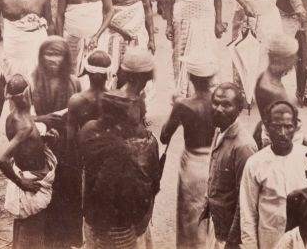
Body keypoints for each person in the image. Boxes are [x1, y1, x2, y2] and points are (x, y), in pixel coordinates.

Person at [79, 91, 162, 249]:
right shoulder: (119, 147)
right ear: (119, 116)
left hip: (90, 217)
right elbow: (103, 187)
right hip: (114, 225)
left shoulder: (87, 129)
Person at [29, 36, 84, 248]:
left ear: (66, 58)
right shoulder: (32, 82)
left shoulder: (74, 82)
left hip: (69, 149)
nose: (53, 60)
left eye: (58, 54)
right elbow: (16, 120)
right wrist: (42, 119)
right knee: (45, 195)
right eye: (48, 54)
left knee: (69, 194)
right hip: (42, 147)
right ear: (41, 56)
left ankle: (68, 241)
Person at [161, 55, 219, 249]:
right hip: (213, 159)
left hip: (192, 164)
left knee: (189, 215)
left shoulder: (184, 105)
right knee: (211, 215)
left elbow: (164, 136)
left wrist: (176, 105)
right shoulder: (219, 102)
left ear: (191, 78)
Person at [0, 75, 57, 249]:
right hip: (31, 183)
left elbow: (26, 148)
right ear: (25, 95)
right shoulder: (25, 125)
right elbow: (1, 159)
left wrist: (45, 139)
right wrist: (21, 182)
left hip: (29, 175)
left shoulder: (15, 117)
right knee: (33, 231)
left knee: (24, 226)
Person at [239, 101, 307, 249]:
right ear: (266, 127)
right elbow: (248, 213)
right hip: (269, 239)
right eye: (277, 127)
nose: (282, 133)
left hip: (301, 240)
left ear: (296, 127)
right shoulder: (255, 163)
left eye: (288, 127)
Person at [206, 82, 257, 249]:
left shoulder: (243, 146)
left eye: (226, 104)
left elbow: (245, 202)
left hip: (229, 235)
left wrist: (231, 242)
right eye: (216, 102)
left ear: (239, 108)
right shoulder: (220, 129)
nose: (219, 109)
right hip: (217, 225)